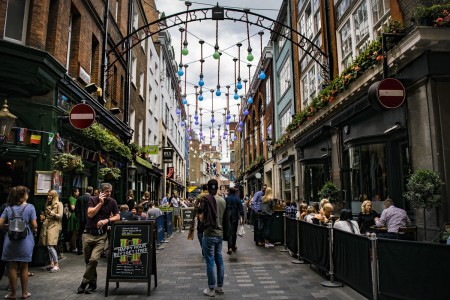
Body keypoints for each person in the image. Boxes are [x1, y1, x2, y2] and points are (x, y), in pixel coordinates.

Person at [77, 183, 120, 294]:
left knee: (94, 259)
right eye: (106, 191)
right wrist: (100, 204)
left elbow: (118, 216)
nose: (109, 193)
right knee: (89, 261)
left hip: (101, 236)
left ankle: (83, 283)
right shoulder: (92, 199)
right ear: (100, 191)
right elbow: (90, 215)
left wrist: (107, 220)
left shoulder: (112, 202)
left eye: (110, 191)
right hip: (88, 234)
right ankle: (92, 284)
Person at [0, 186, 37, 300]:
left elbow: (1, 224)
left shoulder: (8, 208)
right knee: (24, 267)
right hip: (25, 240)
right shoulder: (30, 207)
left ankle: (13, 294)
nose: (28, 195)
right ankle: (25, 293)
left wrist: (10, 226)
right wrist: (31, 228)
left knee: (12, 267)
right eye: (26, 194)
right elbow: (34, 225)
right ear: (22, 196)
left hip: (10, 241)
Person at [198, 179, 226, 297]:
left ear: (208, 188)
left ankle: (211, 289)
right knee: (219, 260)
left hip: (209, 234)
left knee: (210, 260)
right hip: (219, 234)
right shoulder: (223, 200)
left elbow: (201, 219)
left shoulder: (206, 200)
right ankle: (220, 286)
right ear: (217, 188)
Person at [39, 190, 63, 272]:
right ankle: (52, 263)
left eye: (50, 195)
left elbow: (60, 216)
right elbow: (46, 215)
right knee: (47, 245)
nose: (48, 197)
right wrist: (43, 217)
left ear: (54, 196)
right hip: (47, 225)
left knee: (50, 245)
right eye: (48, 195)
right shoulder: (47, 203)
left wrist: (52, 213)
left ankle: (56, 265)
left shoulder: (59, 204)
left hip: (54, 225)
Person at [225, 187, 244, 254]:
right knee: (234, 232)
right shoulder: (237, 199)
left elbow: (224, 208)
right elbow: (241, 209)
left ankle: (229, 247)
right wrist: (242, 218)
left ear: (229, 192)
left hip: (228, 217)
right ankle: (234, 245)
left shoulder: (226, 199)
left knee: (229, 232)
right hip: (235, 217)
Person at [75, 186, 93, 255]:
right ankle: (90, 249)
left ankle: (80, 249)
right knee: (90, 234)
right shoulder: (92, 198)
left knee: (80, 234)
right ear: (91, 191)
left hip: (81, 219)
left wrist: (78, 218)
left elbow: (76, 210)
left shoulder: (79, 198)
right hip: (90, 219)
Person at [194, 184, 209, 257]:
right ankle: (207, 248)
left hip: (201, 216)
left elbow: (195, 205)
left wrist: (197, 213)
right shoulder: (211, 195)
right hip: (210, 217)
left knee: (200, 232)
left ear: (202, 189)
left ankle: (203, 248)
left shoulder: (199, 196)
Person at [67, 188, 80, 253]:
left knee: (75, 233)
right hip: (73, 215)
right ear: (74, 192)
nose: (78, 192)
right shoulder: (72, 198)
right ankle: (74, 247)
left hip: (76, 215)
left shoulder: (75, 198)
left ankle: (73, 246)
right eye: (78, 191)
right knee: (74, 233)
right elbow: (72, 207)